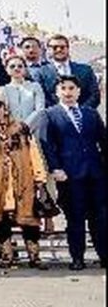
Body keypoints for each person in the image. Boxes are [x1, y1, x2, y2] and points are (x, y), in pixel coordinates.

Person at [0, 95, 49, 269]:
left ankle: (34, 255)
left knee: (29, 217)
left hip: (23, 179)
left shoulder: (20, 128)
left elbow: (33, 152)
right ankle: (7, 253)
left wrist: (39, 176)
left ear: (5, 108)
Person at [42, 76, 106, 270]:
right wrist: (55, 168)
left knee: (101, 218)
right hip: (69, 175)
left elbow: (103, 140)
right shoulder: (51, 114)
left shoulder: (90, 113)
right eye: (63, 89)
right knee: (75, 218)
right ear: (57, 93)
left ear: (78, 91)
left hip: (96, 174)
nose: (68, 92)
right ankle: (77, 257)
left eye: (72, 88)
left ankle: (104, 254)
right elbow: (48, 145)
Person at [46, 34, 100, 109]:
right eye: (55, 47)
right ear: (49, 50)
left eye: (62, 47)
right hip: (54, 118)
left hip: (82, 116)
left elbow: (95, 95)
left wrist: (80, 111)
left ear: (68, 48)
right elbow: (43, 98)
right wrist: (59, 113)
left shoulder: (86, 70)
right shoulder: (41, 72)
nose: (59, 50)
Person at [3, 55, 46, 132]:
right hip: (11, 131)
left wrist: (25, 125)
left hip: (33, 130)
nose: (16, 69)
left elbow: (40, 109)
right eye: (12, 66)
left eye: (20, 66)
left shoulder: (35, 86)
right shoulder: (3, 90)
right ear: (6, 69)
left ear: (25, 69)